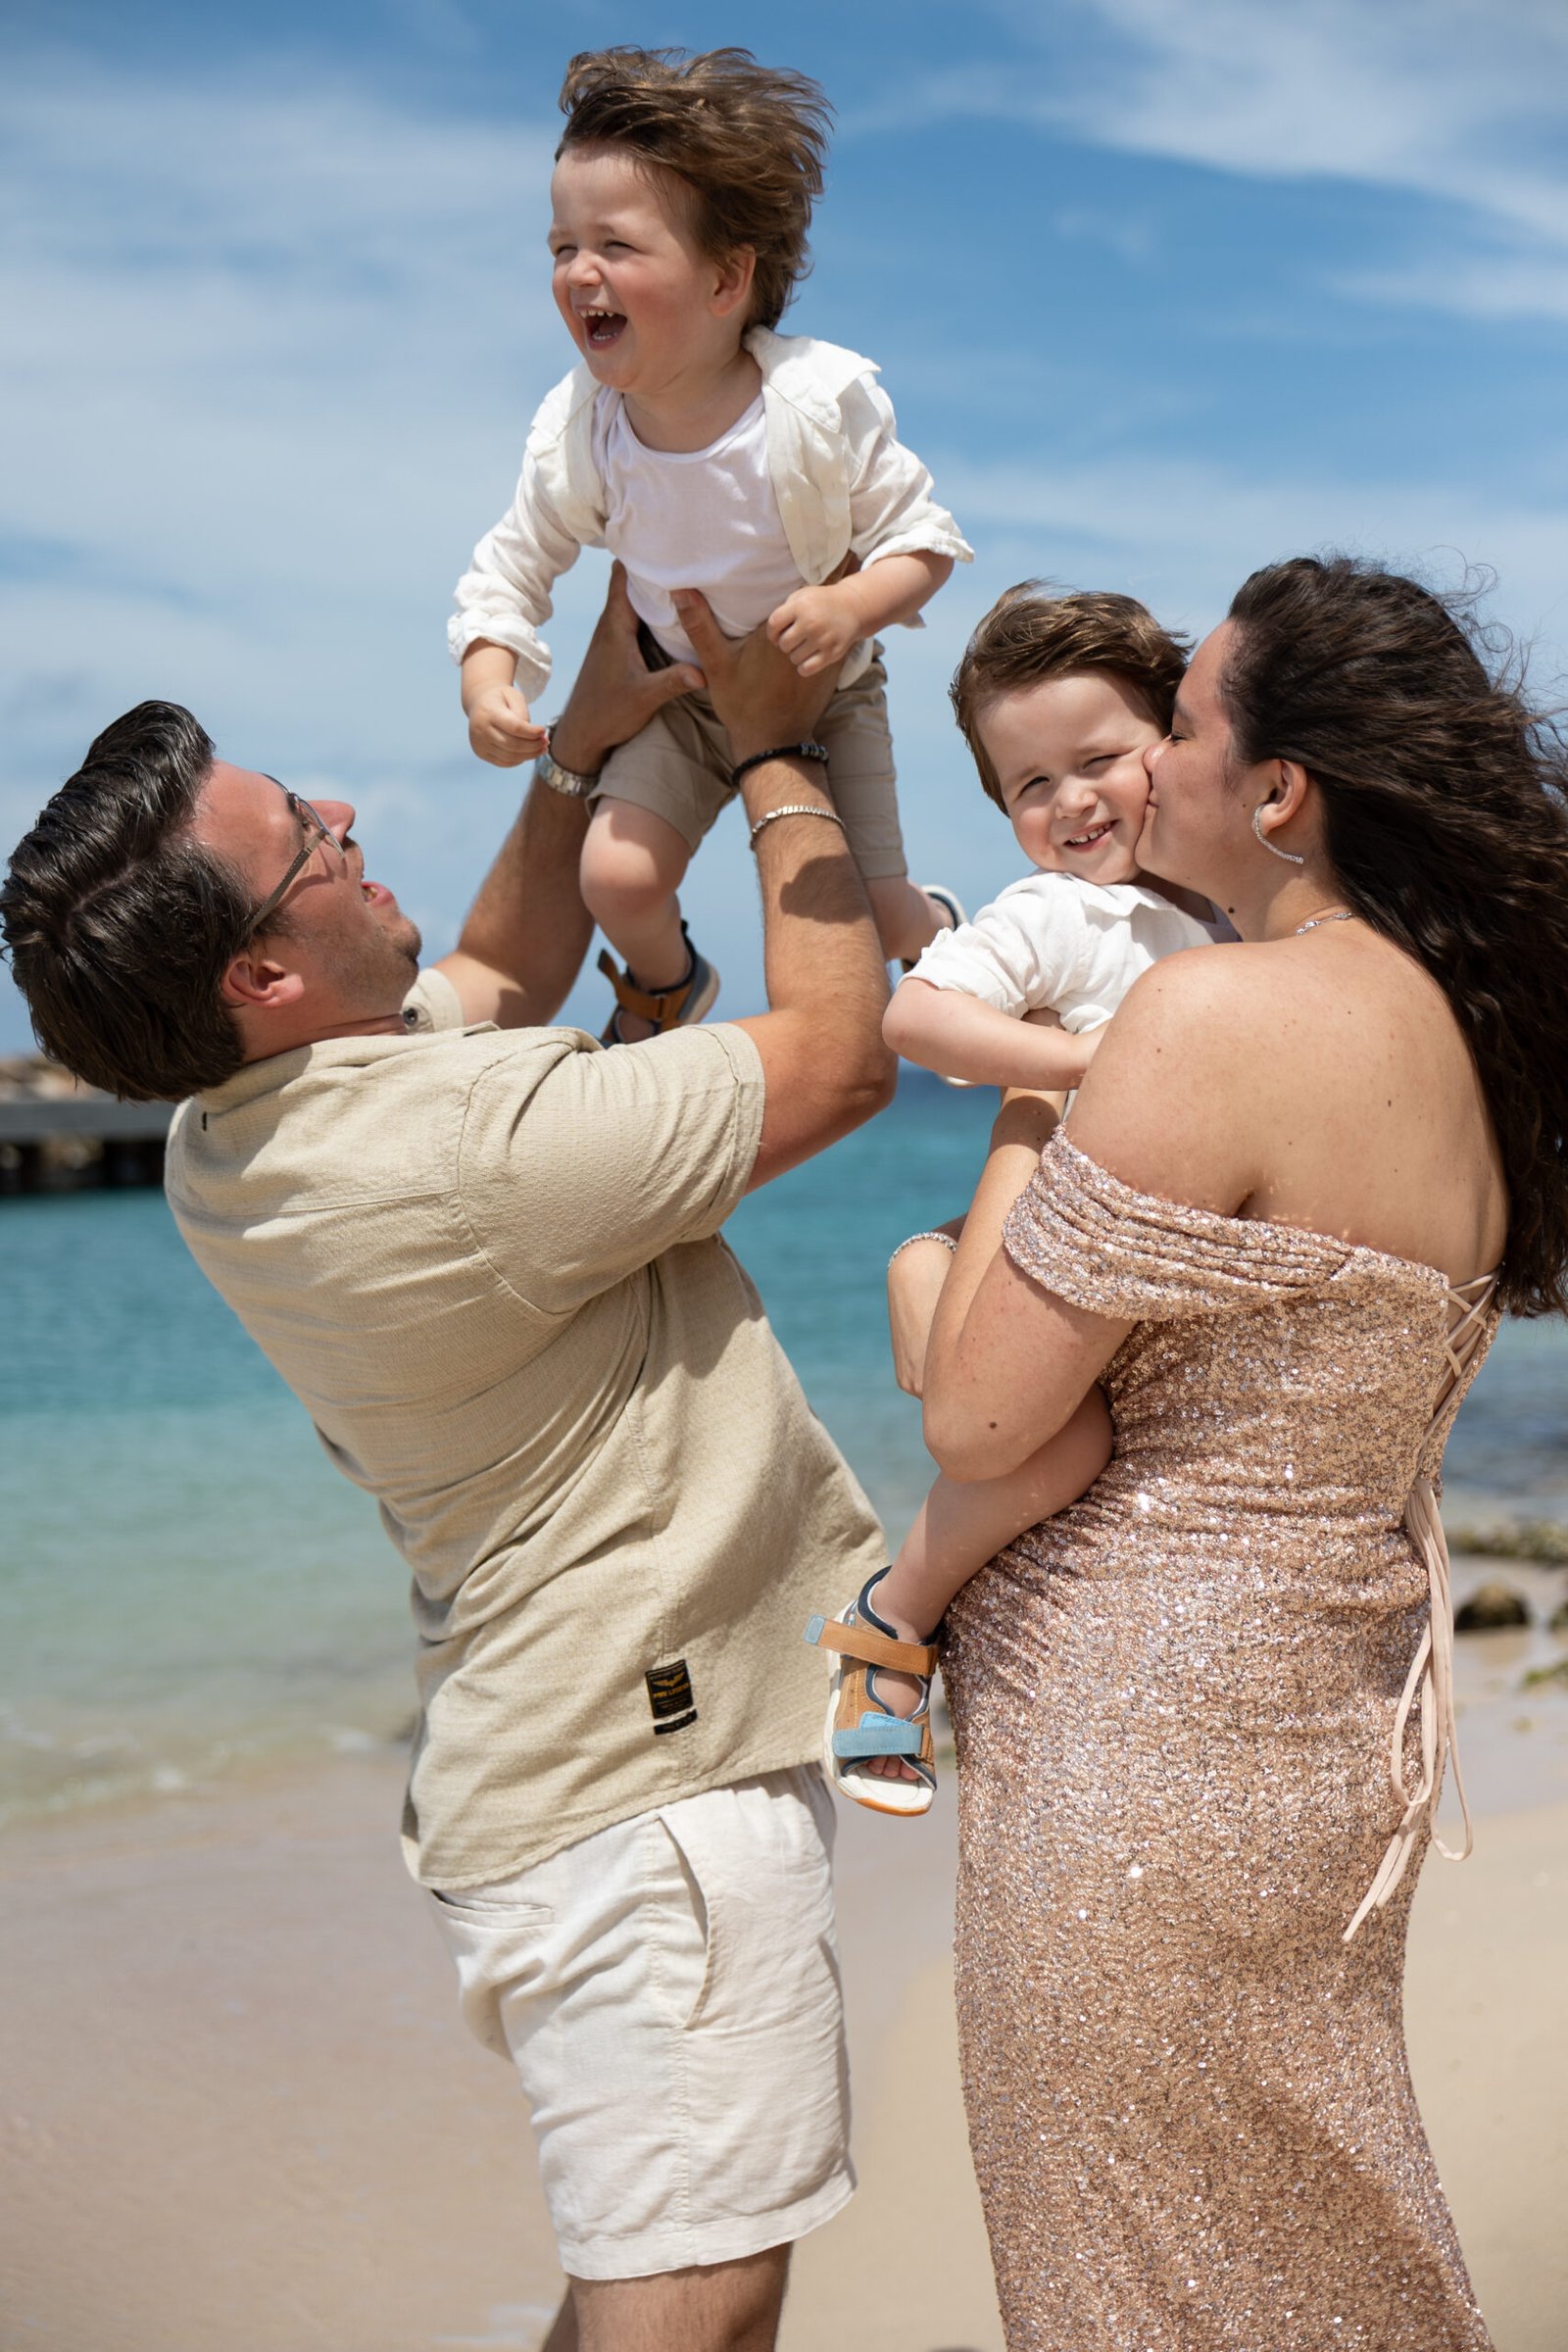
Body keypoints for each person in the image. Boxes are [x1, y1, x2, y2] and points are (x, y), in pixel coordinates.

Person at [0, 570, 900, 2352]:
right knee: (700, 2302)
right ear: (264, 973)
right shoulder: (461, 1152)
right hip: (645, 1796)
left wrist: (574, 763)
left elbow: (496, 974)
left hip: (557, 1769)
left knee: (648, 2275)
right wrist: (779, 756)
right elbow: (841, 1059)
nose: (348, 815)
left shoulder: (233, 1135)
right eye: (306, 840)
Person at [898, 554, 1568, 2349]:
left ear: (1275, 793)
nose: (1145, 766)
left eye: (1181, 723)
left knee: (1134, 2277)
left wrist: (1032, 1103)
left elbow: (976, 1413)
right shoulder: (1473, 1043)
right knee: (1316, 2247)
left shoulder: (1207, 1018)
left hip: (1135, 1743)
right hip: (1329, 1743)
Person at [450, 45, 971, 1040]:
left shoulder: (814, 406)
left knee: (871, 916)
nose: (579, 272)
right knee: (615, 875)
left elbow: (924, 543)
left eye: (616, 245)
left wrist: (848, 606)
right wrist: (487, 682)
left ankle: (944, 931)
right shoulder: (584, 429)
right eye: (562, 247)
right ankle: (671, 984)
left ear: (728, 278)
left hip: (822, 693)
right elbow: (510, 566)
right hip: (676, 697)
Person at [808, 586, 1228, 1813]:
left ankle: (929, 1268)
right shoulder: (1061, 911)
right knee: (1069, 1443)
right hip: (1071, 1246)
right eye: (1029, 785)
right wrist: (1085, 1059)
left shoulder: (1221, 910)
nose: (1070, 803)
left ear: (1172, 741)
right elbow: (917, 1015)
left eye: (1098, 760)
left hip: (1151, 1254)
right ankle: (894, 1618)